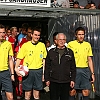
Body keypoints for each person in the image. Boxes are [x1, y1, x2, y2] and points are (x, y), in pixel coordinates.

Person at [15, 27, 47, 100]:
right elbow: (19, 58)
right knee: (27, 95)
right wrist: (16, 68)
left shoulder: (42, 45)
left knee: (36, 95)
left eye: (38, 35)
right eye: (35, 35)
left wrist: (43, 74)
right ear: (31, 35)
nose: (37, 37)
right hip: (28, 72)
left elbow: (44, 60)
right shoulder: (25, 45)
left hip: (38, 71)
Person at [45, 33, 76, 100]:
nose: (62, 41)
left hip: (66, 81)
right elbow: (47, 67)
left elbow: (73, 67)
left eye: (63, 39)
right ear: (56, 41)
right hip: (54, 81)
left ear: (65, 41)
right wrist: (47, 79)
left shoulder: (70, 52)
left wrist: (72, 79)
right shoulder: (51, 52)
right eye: (60, 39)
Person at [68, 27, 95, 100]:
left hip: (85, 70)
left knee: (86, 91)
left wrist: (92, 73)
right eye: (79, 34)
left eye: (82, 34)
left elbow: (89, 59)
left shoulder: (87, 45)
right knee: (72, 91)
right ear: (75, 35)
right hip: (74, 70)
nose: (81, 36)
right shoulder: (71, 44)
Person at [0, 24, 15, 100]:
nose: (2, 34)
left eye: (3, 32)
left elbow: (10, 60)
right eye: (0, 32)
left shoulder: (8, 44)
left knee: (10, 97)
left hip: (5, 73)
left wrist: (12, 74)